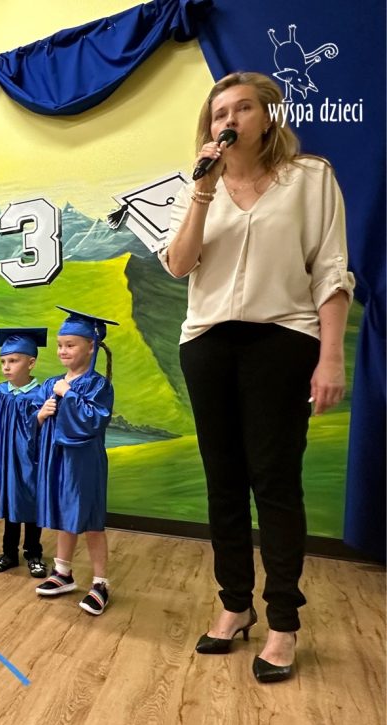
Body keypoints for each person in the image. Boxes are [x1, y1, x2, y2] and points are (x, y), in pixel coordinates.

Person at [162, 72, 354, 683]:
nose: (230, 119)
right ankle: (234, 604)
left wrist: (330, 356)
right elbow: (179, 265)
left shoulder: (310, 177)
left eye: (243, 108)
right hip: (207, 344)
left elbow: (330, 270)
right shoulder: (198, 184)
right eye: (220, 111)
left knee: (275, 482)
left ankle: (283, 622)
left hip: (283, 339)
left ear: (267, 116)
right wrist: (202, 191)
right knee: (223, 483)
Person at [34, 308, 117, 616]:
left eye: (70, 345)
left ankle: (100, 583)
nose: (63, 351)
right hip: (57, 459)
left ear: (90, 346)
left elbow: (93, 421)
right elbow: (35, 421)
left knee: (91, 522)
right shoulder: (50, 383)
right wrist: (40, 415)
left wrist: (68, 394)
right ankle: (63, 572)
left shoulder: (98, 385)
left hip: (84, 463)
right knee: (63, 514)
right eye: (60, 345)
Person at [0, 328, 49, 578]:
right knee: (10, 503)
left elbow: (43, 430)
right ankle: (9, 553)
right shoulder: (1, 391)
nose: (6, 367)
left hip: (31, 460)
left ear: (31, 363)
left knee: (31, 504)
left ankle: (33, 553)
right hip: (7, 459)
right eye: (3, 361)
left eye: (13, 361)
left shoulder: (41, 393)